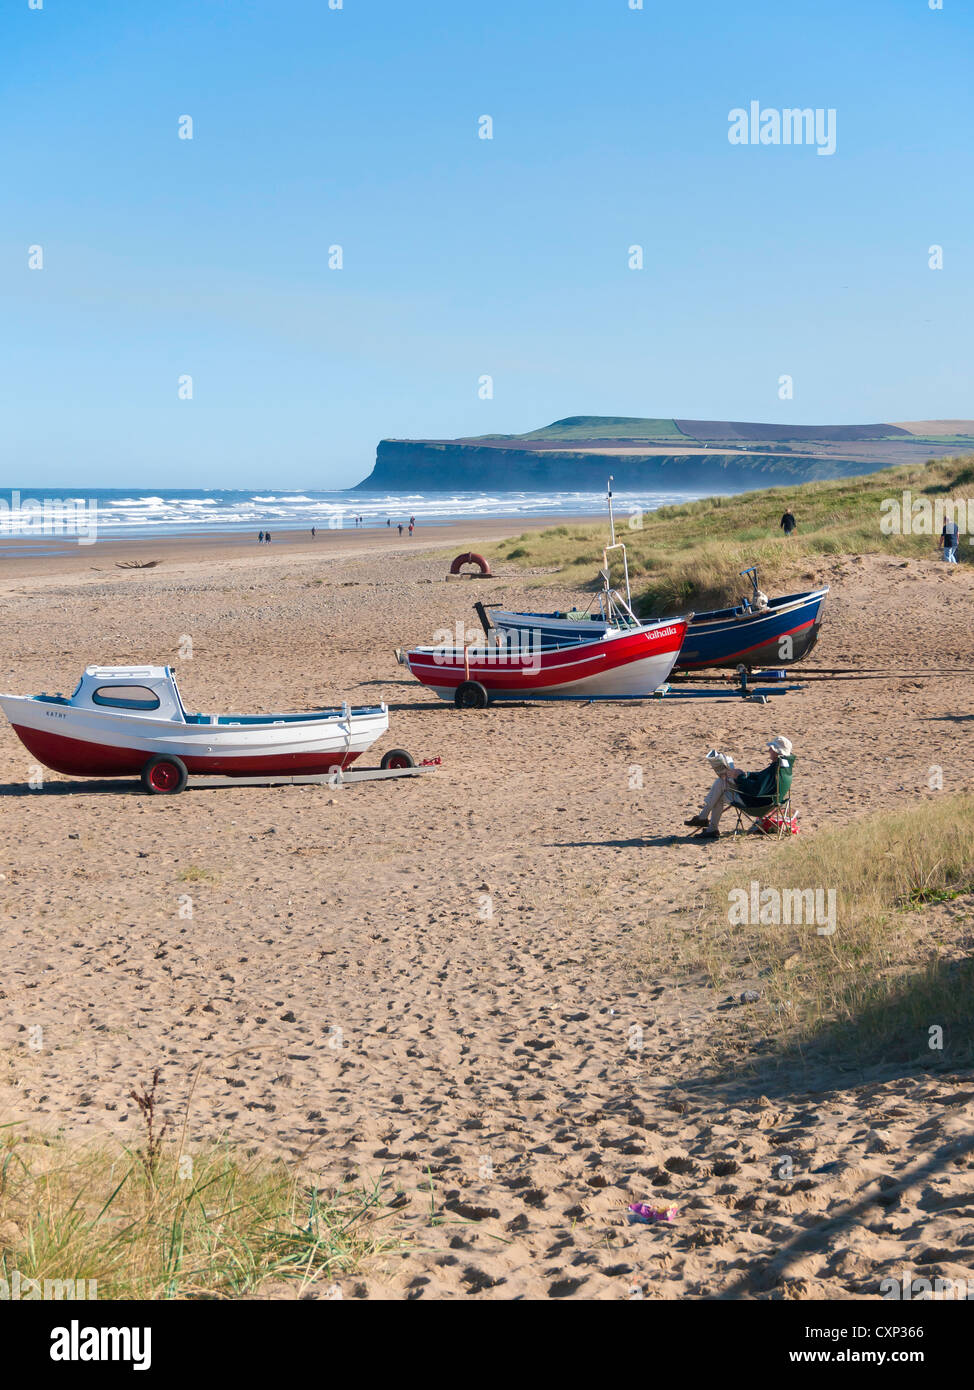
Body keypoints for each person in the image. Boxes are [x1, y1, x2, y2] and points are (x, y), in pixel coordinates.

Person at [685, 737, 793, 840]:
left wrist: (739, 777)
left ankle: (707, 823)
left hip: (756, 804)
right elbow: (761, 777)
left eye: (772, 749)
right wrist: (745, 774)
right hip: (767, 801)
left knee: (720, 787)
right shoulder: (783, 767)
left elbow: (756, 790)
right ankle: (707, 823)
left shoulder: (775, 771)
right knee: (722, 784)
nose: (769, 750)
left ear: (778, 752)